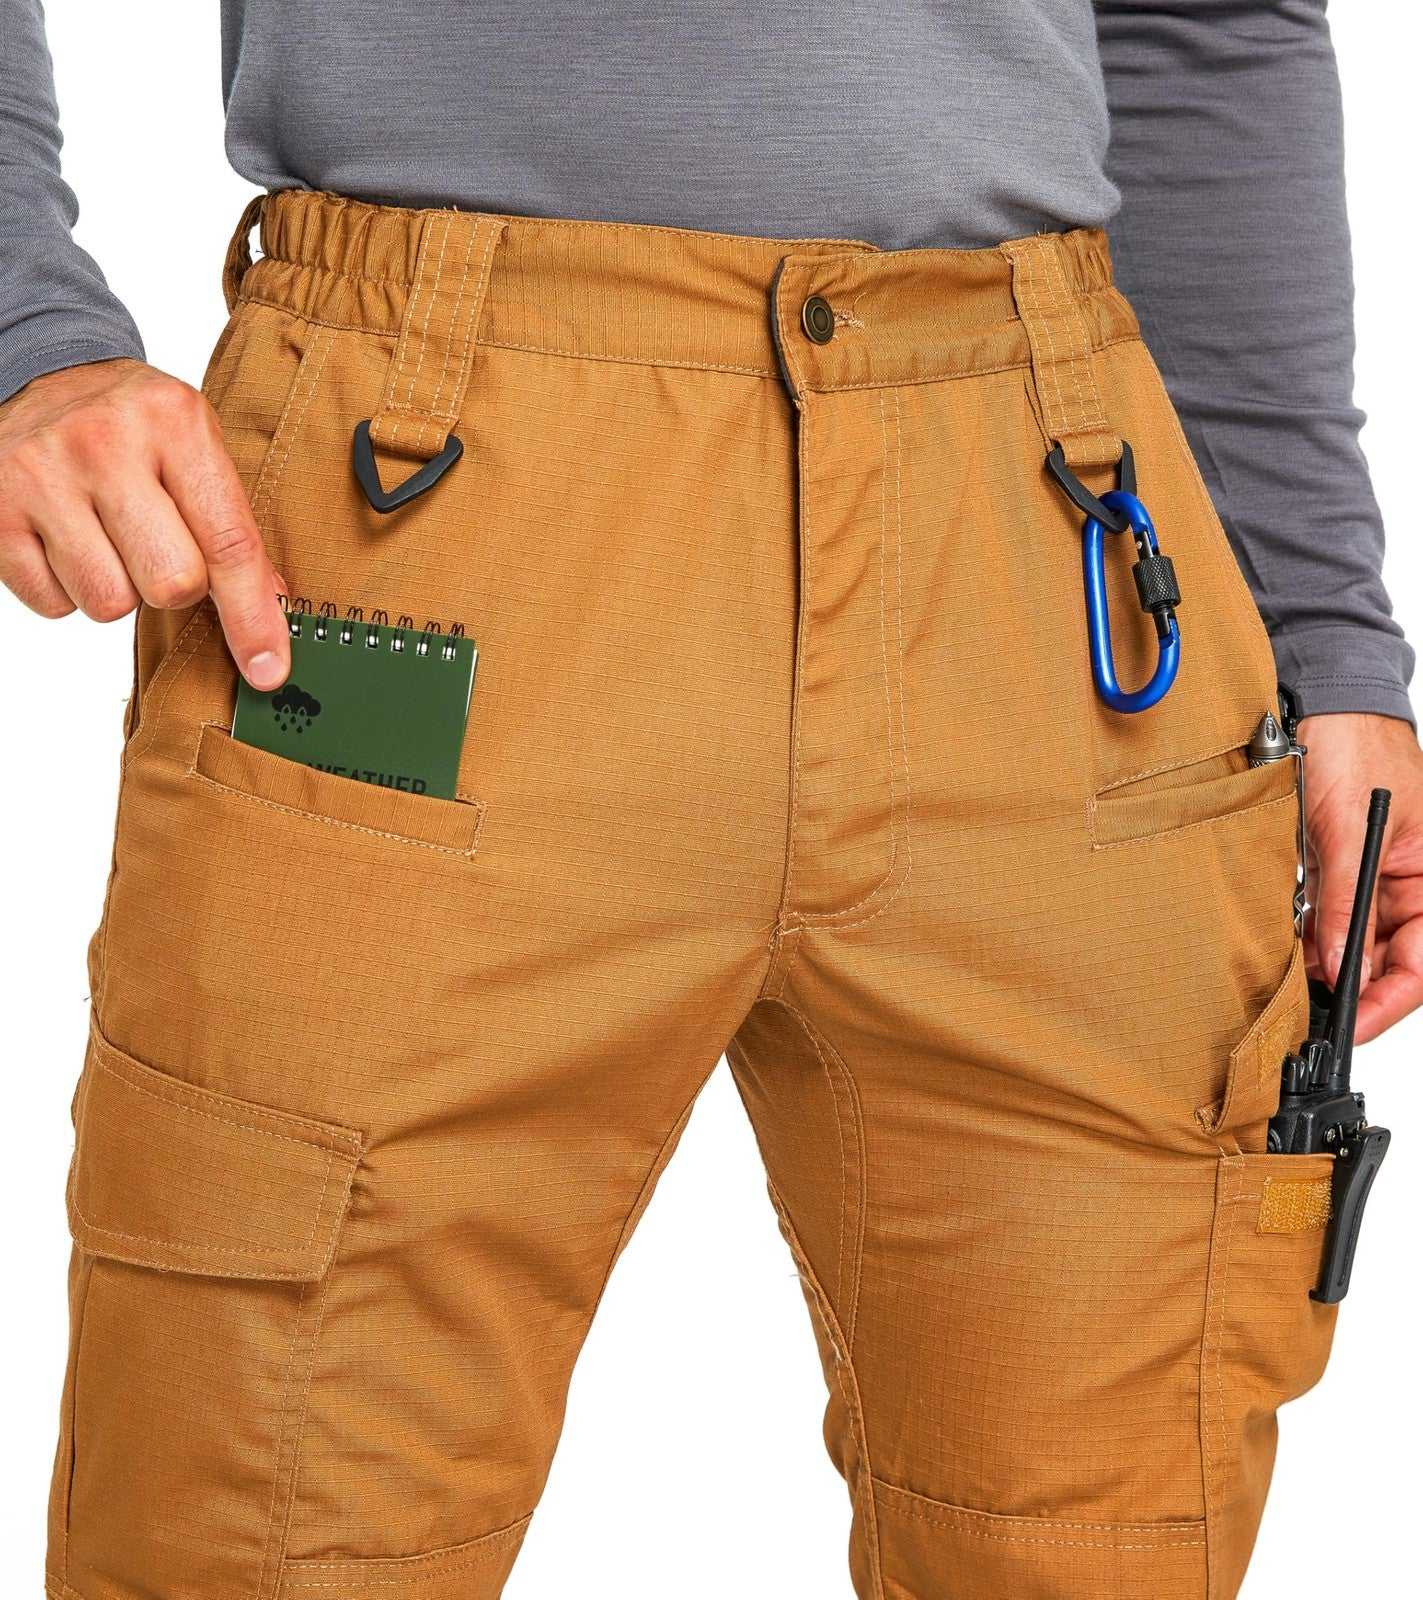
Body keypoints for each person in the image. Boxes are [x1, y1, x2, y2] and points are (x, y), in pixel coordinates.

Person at [4, 5, 1417, 1598]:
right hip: (430, 513)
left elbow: (1196, 22)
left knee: (1103, 1552)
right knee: (255, 1539)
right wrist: (22, 325)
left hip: (1064, 551)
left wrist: (1321, 636)